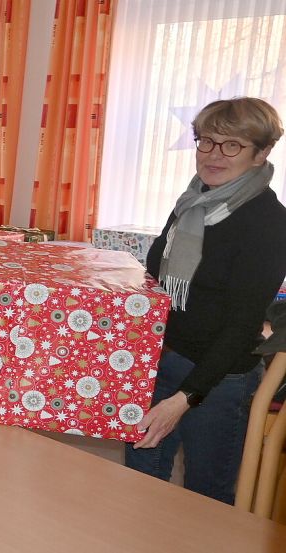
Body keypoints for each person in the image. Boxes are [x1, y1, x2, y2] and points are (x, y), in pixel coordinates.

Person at [126, 97, 286, 504]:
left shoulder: (268, 222)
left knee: (207, 500)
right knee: (140, 484)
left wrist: (185, 398)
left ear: (261, 153)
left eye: (232, 145)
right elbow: (158, 270)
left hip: (219, 380)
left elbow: (241, 327)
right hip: (163, 361)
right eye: (207, 141)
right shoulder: (193, 203)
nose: (214, 154)